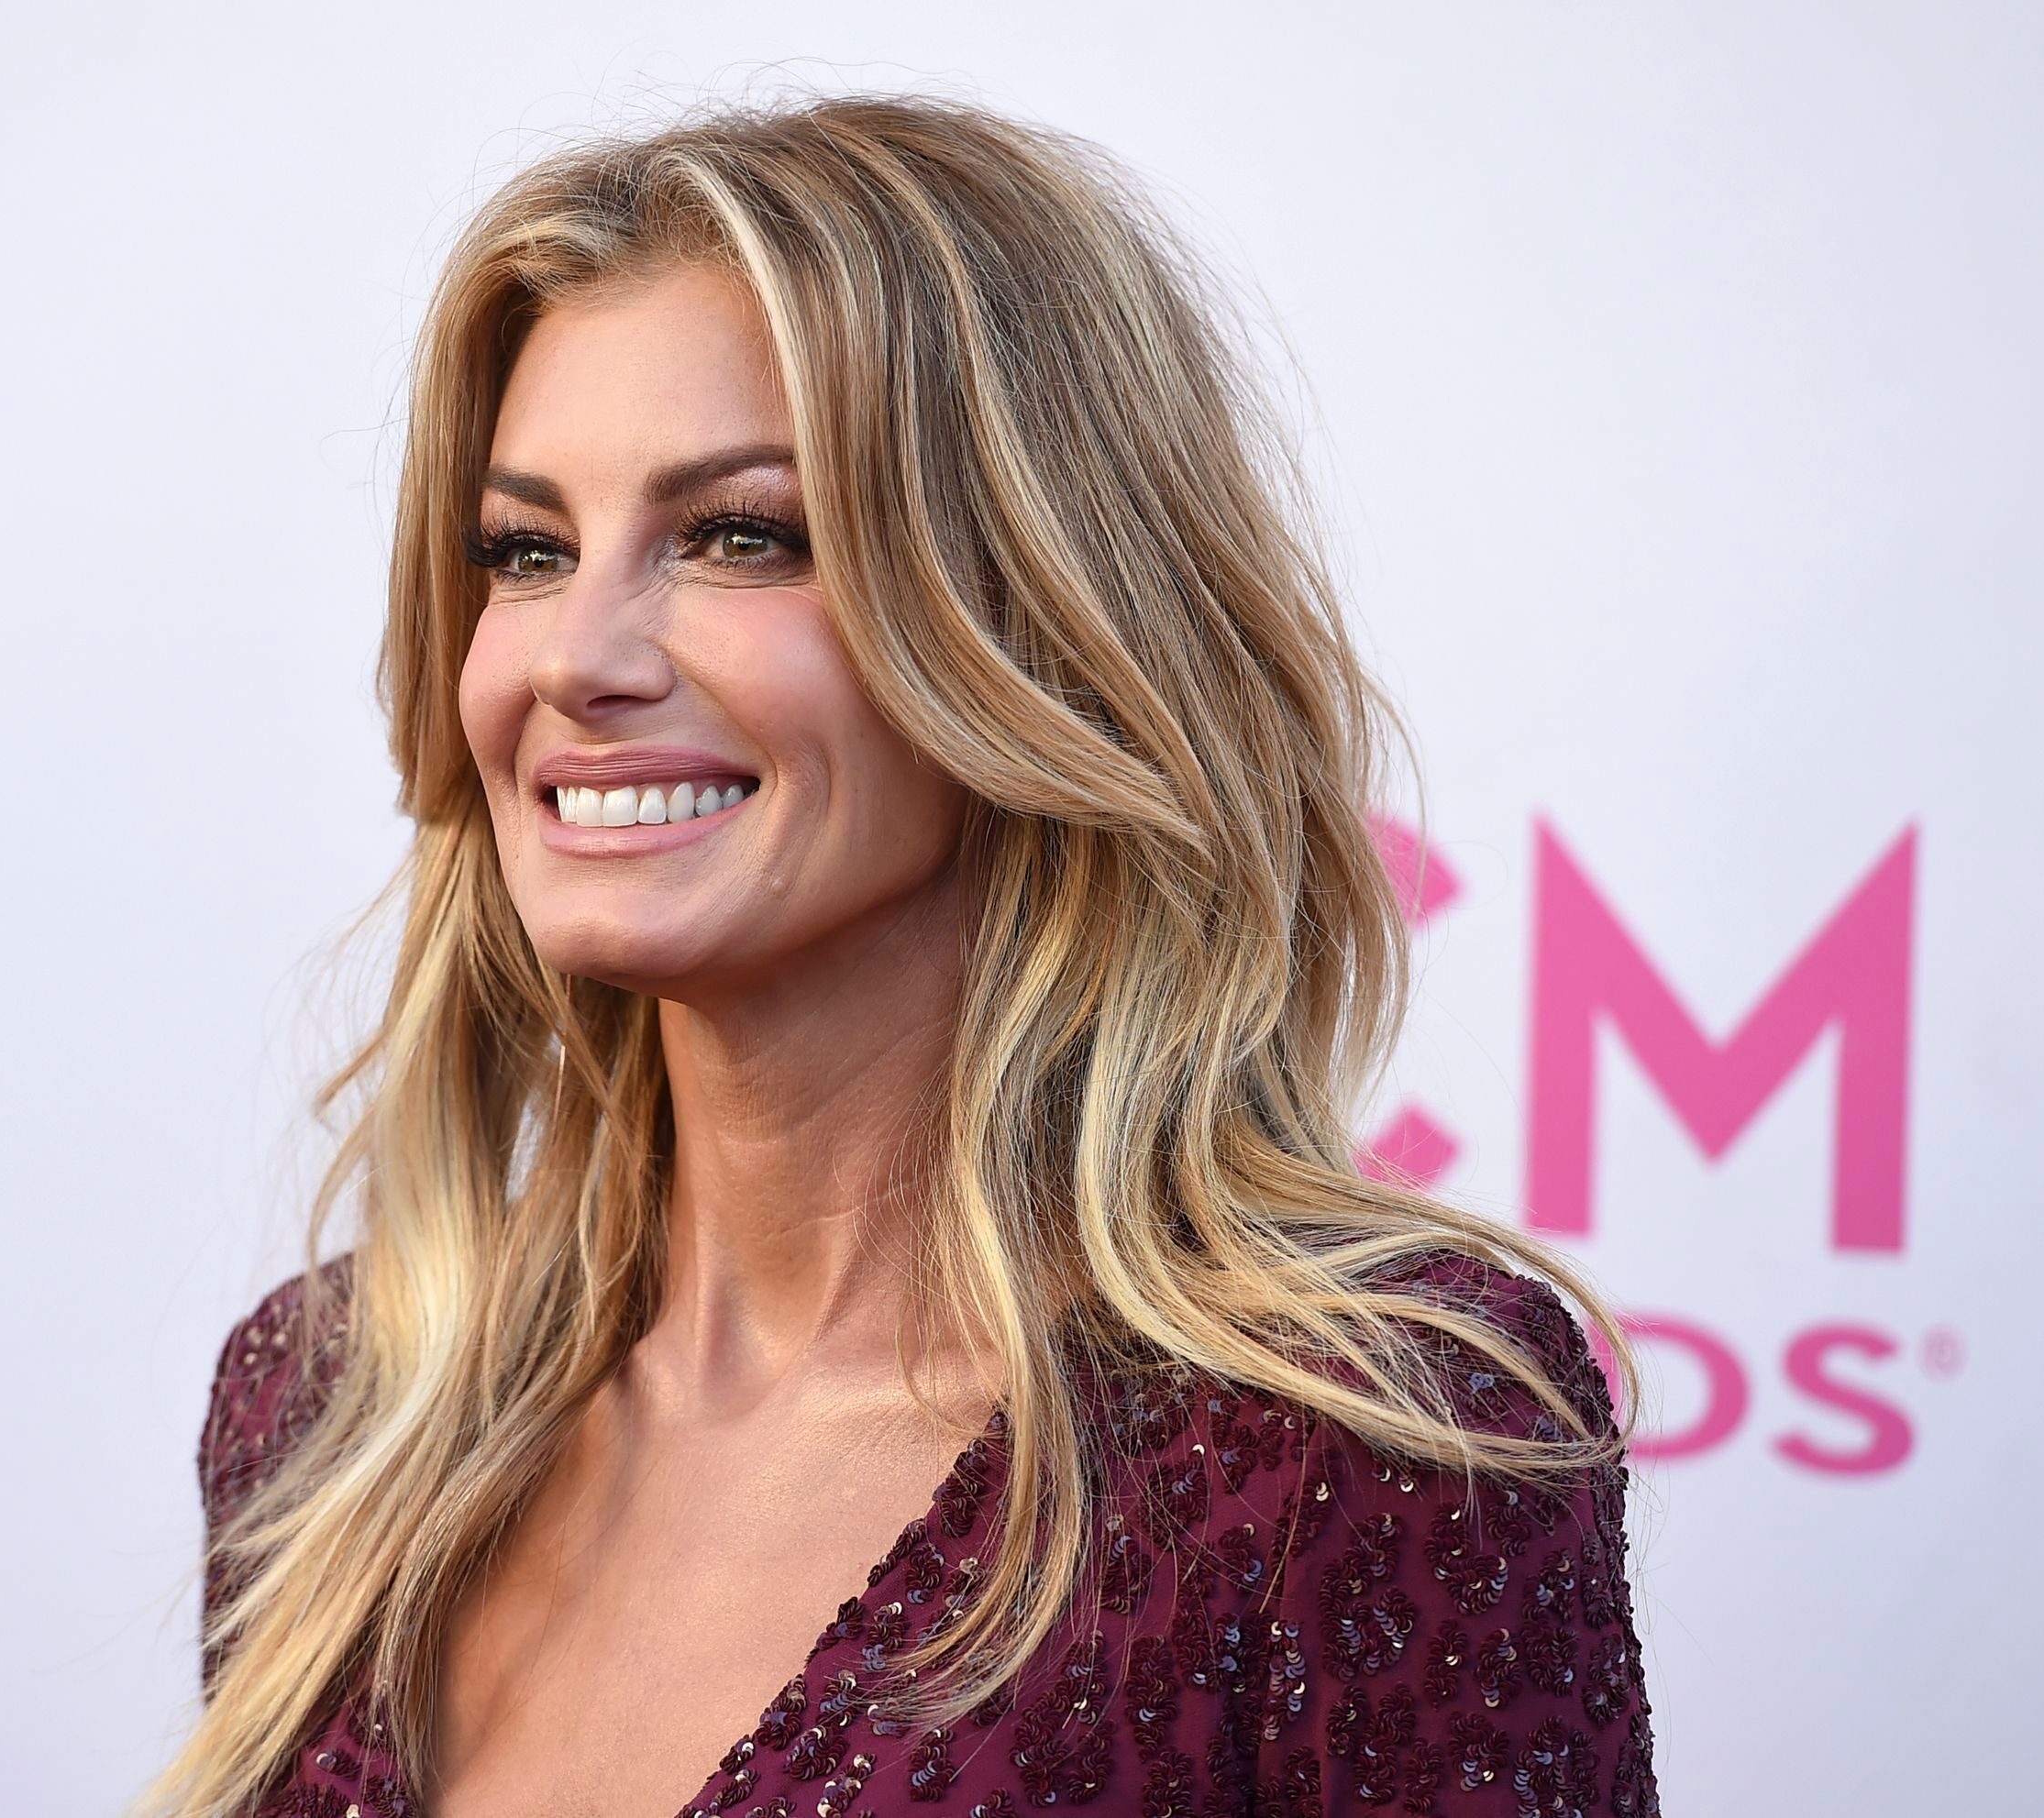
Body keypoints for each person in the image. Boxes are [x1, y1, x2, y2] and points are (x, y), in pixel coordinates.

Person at [148, 94, 1658, 1818]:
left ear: (1039, 614)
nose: (576, 656)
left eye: (741, 535)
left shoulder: (1357, 1443)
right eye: (525, 550)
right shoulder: (340, 1405)